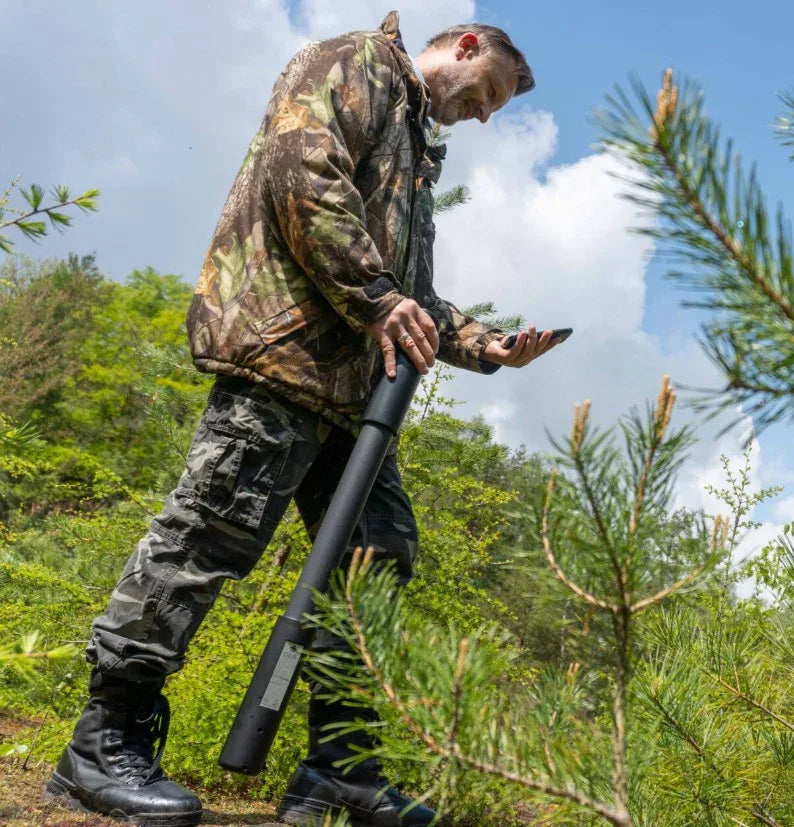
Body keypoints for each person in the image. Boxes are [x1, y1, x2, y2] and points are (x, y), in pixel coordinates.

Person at [46, 10, 556, 827]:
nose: (486, 115)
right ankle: (101, 741)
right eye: (489, 92)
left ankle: (339, 768)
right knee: (206, 540)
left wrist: (486, 343)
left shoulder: (415, 145)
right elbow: (302, 174)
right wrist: (379, 297)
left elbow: (409, 292)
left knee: (377, 560)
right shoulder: (353, 62)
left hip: (355, 395)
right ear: (465, 47)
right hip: (283, 359)